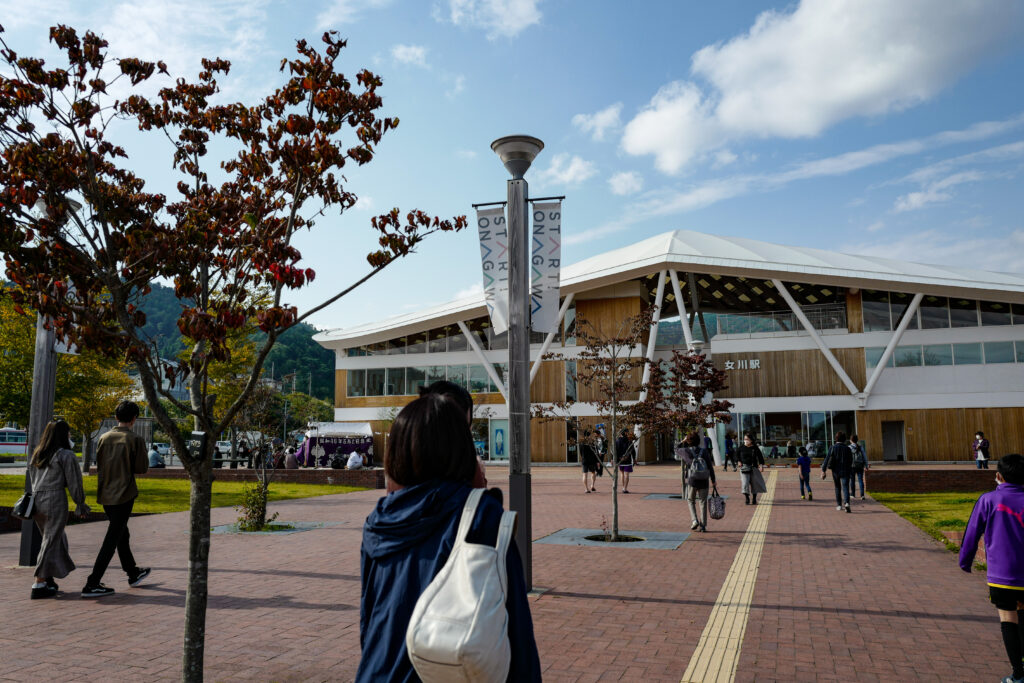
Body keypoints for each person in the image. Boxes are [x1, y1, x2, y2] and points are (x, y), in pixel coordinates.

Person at [357, 393, 541, 682]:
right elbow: (516, 633)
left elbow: (369, 623)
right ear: (462, 449)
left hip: (379, 671)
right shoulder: (483, 516)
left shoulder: (379, 520)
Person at [959, 454, 1024, 683]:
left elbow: (972, 532)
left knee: (1008, 619)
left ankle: (1018, 675)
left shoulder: (988, 500)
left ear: (998, 476)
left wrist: (965, 561)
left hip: (1002, 576)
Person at [82, 400, 150, 598]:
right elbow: (141, 468)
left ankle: (132, 572)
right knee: (112, 538)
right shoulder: (135, 439)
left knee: (121, 533)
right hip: (124, 494)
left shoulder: (104, 437)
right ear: (134, 418)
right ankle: (92, 582)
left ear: (116, 417)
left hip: (106, 494)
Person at [26, 419, 90, 599]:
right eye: (68, 432)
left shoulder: (37, 454)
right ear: (63, 434)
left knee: (56, 538)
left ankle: (48, 579)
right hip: (54, 499)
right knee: (51, 540)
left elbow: (32, 479)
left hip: (37, 501)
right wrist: (80, 503)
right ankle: (39, 583)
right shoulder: (66, 455)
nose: (70, 435)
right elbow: (74, 482)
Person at [680, 432, 716, 532]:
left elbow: (676, 449)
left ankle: (694, 520)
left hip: (692, 480)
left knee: (690, 500)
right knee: (703, 502)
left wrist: (682, 441)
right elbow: (710, 466)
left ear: (688, 441)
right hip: (704, 480)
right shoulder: (704, 451)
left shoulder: (686, 451)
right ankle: (703, 525)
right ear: (699, 441)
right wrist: (713, 480)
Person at [821, 431, 854, 513]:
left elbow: (827, 459)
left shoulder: (832, 447)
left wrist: (823, 470)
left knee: (837, 487)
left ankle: (839, 505)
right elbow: (851, 460)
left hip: (835, 471)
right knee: (845, 487)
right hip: (845, 470)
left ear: (836, 438)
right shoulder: (848, 448)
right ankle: (847, 503)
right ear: (844, 439)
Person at [736, 432, 766, 505]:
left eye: (747, 439)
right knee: (745, 483)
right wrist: (739, 461)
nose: (745, 440)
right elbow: (736, 455)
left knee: (754, 484)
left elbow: (760, 457)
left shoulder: (755, 448)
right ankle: (747, 498)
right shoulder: (741, 447)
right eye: (744, 439)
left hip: (753, 468)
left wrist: (761, 465)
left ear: (751, 440)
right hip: (744, 468)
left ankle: (754, 499)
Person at [615, 428, 636, 493]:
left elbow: (615, 450)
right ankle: (625, 488)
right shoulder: (629, 440)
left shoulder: (617, 440)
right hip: (628, 459)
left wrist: (616, 458)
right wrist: (634, 458)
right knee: (626, 474)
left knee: (622, 473)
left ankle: (623, 487)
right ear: (626, 433)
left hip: (620, 460)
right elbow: (632, 450)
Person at [850, 434, 868, 499]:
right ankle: (862, 495)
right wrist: (866, 465)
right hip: (860, 465)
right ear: (857, 440)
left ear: (850, 440)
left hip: (852, 466)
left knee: (852, 480)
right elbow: (865, 457)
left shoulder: (849, 447)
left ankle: (853, 494)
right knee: (860, 480)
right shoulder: (860, 447)